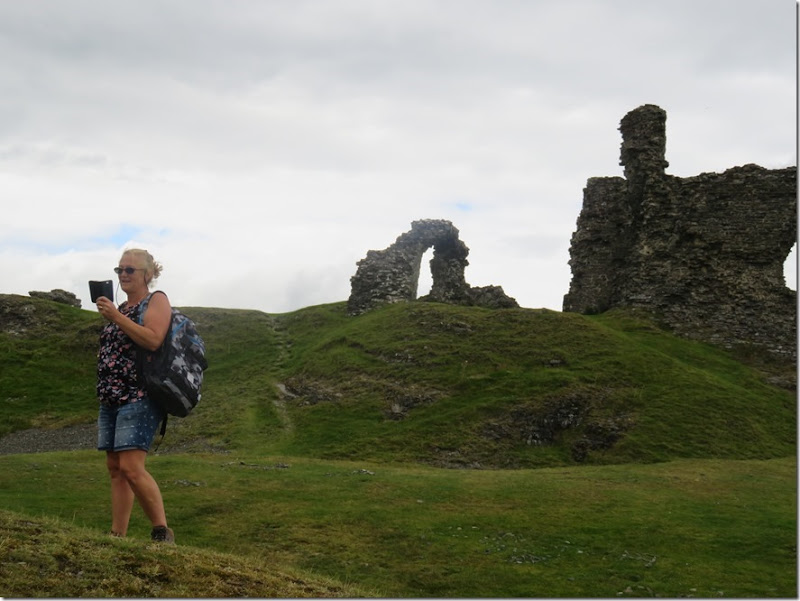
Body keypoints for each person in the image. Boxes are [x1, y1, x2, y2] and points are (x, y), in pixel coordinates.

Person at [95, 248, 175, 543]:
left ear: (148, 274)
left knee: (131, 466)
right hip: (111, 397)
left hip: (138, 395)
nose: (123, 275)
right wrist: (116, 316)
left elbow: (153, 339)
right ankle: (117, 535)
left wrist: (116, 317)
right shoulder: (121, 309)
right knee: (116, 468)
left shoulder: (156, 300)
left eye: (130, 270)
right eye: (120, 270)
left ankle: (162, 531)